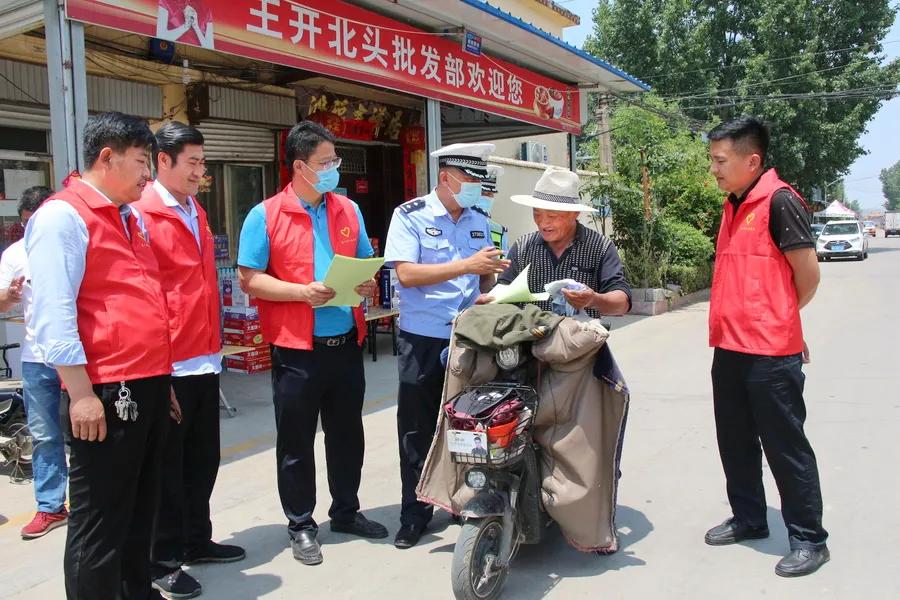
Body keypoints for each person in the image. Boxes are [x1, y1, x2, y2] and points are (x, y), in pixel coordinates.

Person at [26, 111, 173, 599]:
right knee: (100, 518)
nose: (148, 174)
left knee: (139, 508)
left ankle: (137, 591)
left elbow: (140, 301)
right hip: (106, 390)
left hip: (147, 381)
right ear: (106, 157)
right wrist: (81, 392)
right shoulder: (62, 216)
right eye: (141, 161)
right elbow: (53, 312)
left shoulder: (128, 217)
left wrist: (162, 380)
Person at [237, 121, 387, 567]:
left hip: (344, 344)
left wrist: (365, 284)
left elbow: (365, 264)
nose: (334, 170)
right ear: (300, 166)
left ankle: (346, 511)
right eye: (326, 163)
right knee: (296, 442)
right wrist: (302, 291)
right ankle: (301, 524)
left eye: (335, 162)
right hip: (296, 349)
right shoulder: (264, 215)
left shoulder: (348, 210)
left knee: (347, 436)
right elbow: (250, 279)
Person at [704, 117, 829, 577]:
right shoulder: (733, 204)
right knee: (735, 441)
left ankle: (810, 539)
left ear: (751, 160)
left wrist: (784, 323)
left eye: (720, 160)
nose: (714, 169)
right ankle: (750, 518)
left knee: (785, 445)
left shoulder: (779, 202)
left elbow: (808, 275)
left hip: (771, 353)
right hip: (730, 348)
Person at [134, 122, 245, 599]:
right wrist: (161, 371)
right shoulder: (143, 213)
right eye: (194, 163)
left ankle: (196, 540)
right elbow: (147, 295)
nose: (202, 171)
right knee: (167, 472)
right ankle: (162, 560)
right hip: (171, 362)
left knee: (203, 461)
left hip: (205, 356)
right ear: (163, 161)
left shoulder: (192, 208)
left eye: (203, 162)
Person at [384, 142, 509, 549]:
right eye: (469, 180)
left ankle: (460, 501)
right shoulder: (410, 216)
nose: (474, 188)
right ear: (446, 178)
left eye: (478, 181)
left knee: (466, 426)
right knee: (417, 430)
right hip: (423, 337)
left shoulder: (480, 218)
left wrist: (491, 280)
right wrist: (467, 266)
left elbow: (481, 282)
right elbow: (405, 274)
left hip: (468, 337)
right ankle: (414, 513)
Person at [0, 186, 68, 540]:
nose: (33, 230)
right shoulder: (14, 254)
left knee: (92, 433)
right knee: (44, 435)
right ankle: (51, 506)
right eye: (27, 224)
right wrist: (8, 296)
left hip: (76, 356)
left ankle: (98, 504)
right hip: (37, 358)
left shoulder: (70, 245)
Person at [479, 166, 631, 319]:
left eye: (552, 216)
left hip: (580, 340)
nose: (543, 223)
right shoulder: (522, 247)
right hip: (531, 339)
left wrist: (593, 300)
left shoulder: (600, 247)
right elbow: (502, 290)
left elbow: (622, 303)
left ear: (575, 214)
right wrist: (489, 300)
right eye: (537, 214)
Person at [473, 165, 508, 255]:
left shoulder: (499, 231)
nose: (487, 198)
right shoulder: (458, 225)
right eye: (483, 193)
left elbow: (505, 262)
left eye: (490, 194)